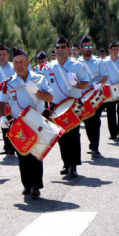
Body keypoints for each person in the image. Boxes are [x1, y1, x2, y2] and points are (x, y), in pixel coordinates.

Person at [0, 47, 54, 198]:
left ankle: (36, 184)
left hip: (37, 121)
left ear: (28, 62)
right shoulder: (8, 83)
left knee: (36, 153)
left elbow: (50, 98)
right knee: (22, 154)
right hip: (19, 123)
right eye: (16, 62)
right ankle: (27, 184)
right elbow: (1, 102)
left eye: (22, 61)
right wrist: (2, 117)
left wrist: (37, 92)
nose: (19, 65)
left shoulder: (39, 79)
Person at [44, 35, 90, 177]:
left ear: (68, 49)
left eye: (63, 47)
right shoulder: (48, 67)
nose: (60, 50)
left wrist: (76, 84)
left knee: (74, 135)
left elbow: (86, 83)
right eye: (57, 47)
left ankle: (74, 165)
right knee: (61, 137)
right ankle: (66, 163)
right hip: (56, 107)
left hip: (73, 105)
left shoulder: (76, 65)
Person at [79, 35, 108, 157]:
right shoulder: (77, 63)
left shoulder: (99, 61)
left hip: (96, 96)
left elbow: (105, 77)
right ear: (81, 48)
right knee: (87, 122)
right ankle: (92, 143)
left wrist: (100, 84)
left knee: (95, 121)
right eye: (86, 47)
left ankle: (95, 147)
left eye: (90, 46)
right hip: (83, 97)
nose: (88, 48)